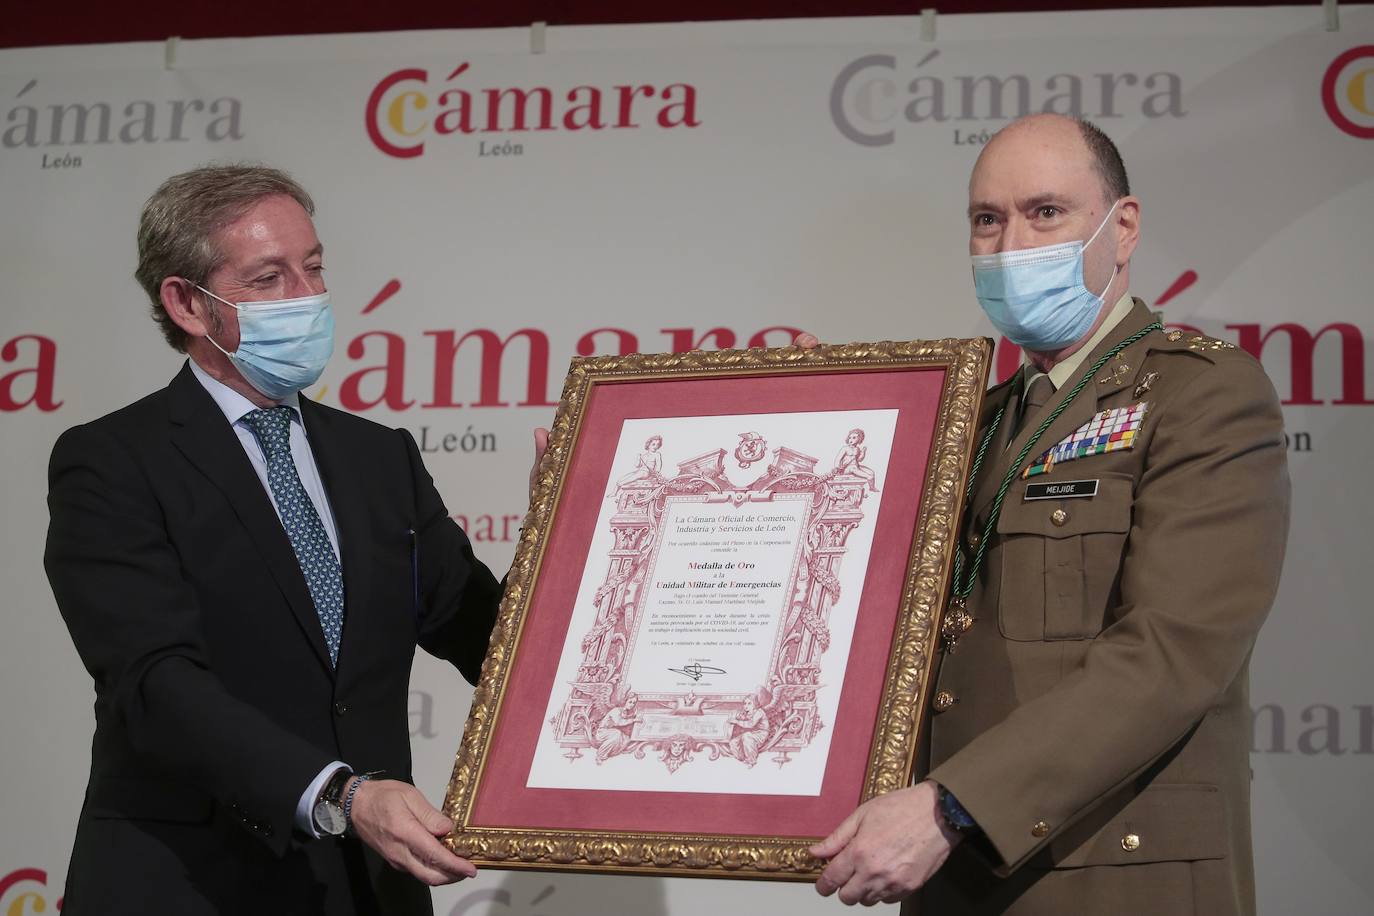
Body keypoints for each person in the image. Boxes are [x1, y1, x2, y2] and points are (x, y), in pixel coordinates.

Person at [805, 114, 1290, 914]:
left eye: (1046, 212)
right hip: (952, 879)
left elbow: (1173, 651)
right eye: (987, 221)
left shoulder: (1200, 393)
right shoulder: (977, 421)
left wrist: (955, 804)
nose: (1012, 246)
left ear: (1122, 228)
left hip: (1114, 875)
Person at [44, 164, 547, 915]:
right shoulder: (114, 461)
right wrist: (341, 794)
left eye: (312, 268)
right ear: (185, 302)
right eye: (269, 279)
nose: (307, 299)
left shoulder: (380, 460)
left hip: (368, 890)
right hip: (191, 885)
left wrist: (562, 535)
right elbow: (154, 683)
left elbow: (490, 644)